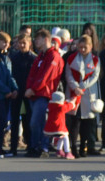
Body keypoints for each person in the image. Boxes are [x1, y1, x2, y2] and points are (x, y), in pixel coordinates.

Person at [24, 30, 65, 158]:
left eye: (38, 39)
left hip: (44, 95)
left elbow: (47, 76)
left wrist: (33, 89)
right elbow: (32, 74)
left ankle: (42, 147)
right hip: (35, 94)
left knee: (36, 122)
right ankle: (37, 146)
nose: (35, 42)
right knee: (38, 122)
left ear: (46, 39)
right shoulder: (40, 56)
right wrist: (29, 88)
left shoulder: (54, 56)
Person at [64, 35, 101, 157]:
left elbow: (94, 76)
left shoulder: (95, 59)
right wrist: (75, 87)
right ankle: (73, 146)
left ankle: (83, 146)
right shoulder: (71, 58)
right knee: (75, 121)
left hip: (87, 94)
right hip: (74, 93)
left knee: (87, 122)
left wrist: (82, 86)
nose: (82, 50)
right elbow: (68, 74)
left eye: (85, 47)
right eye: (80, 47)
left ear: (90, 47)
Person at [7, 33, 35, 156]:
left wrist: (30, 90)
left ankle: (30, 145)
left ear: (29, 43)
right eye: (20, 43)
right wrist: (13, 89)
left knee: (28, 120)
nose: (22, 45)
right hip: (16, 92)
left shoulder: (34, 58)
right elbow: (10, 75)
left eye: (24, 43)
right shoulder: (14, 57)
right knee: (14, 121)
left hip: (28, 93)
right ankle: (13, 148)